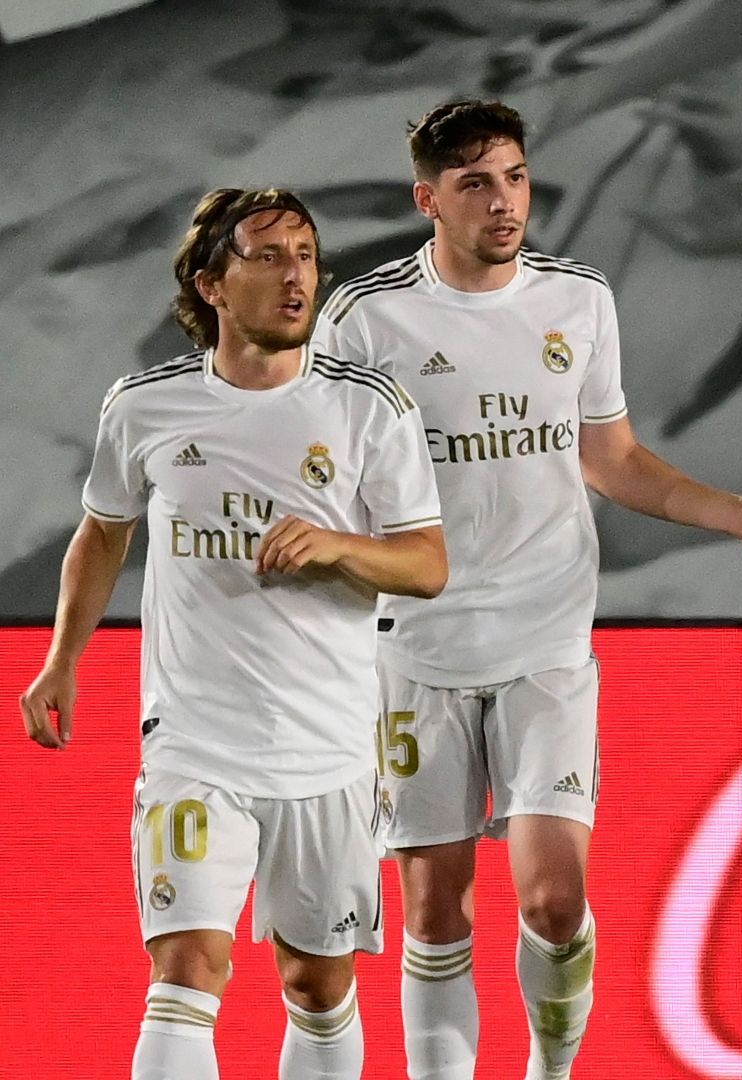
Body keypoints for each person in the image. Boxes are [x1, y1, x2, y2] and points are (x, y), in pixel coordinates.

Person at [308, 99, 742, 1080]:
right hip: (416, 653)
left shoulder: (577, 301)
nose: (503, 200)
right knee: (436, 910)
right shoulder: (367, 318)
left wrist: (741, 515)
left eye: (514, 177)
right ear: (428, 198)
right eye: (475, 182)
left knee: (554, 904)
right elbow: (325, 483)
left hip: (547, 648)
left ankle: (551, 1071)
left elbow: (613, 460)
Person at [18, 188, 448, 1080]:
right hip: (194, 743)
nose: (297, 275)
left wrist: (338, 546)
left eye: (306, 253)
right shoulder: (144, 408)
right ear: (211, 283)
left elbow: (427, 566)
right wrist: (61, 659)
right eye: (268, 255)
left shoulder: (372, 409)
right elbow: (102, 531)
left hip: (327, 747)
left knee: (319, 985)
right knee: (185, 972)